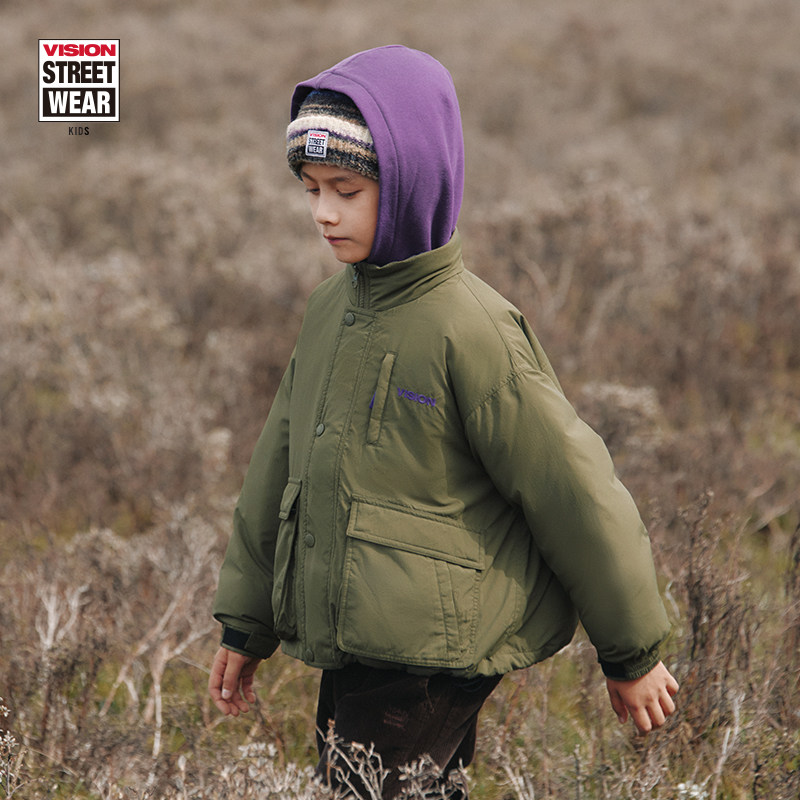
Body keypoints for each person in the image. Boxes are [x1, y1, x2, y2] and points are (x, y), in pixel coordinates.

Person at [208, 45, 679, 797]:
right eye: (311, 188)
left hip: (432, 651)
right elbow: (277, 469)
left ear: (411, 183)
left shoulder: (473, 329)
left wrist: (632, 652)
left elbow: (574, 491)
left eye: (347, 190)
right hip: (356, 635)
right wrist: (246, 622)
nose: (323, 212)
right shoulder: (330, 311)